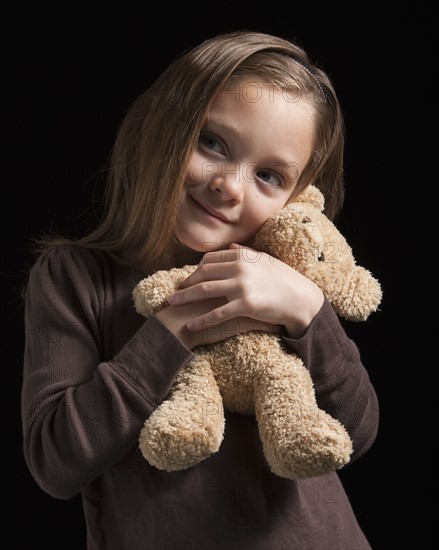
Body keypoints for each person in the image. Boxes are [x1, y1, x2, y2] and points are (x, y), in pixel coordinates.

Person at [21, 30, 379, 549]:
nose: (229, 186)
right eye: (212, 143)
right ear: (163, 128)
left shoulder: (282, 274)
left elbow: (359, 431)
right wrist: (174, 327)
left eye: (270, 176)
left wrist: (308, 310)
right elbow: (56, 462)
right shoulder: (73, 277)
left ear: (300, 197)